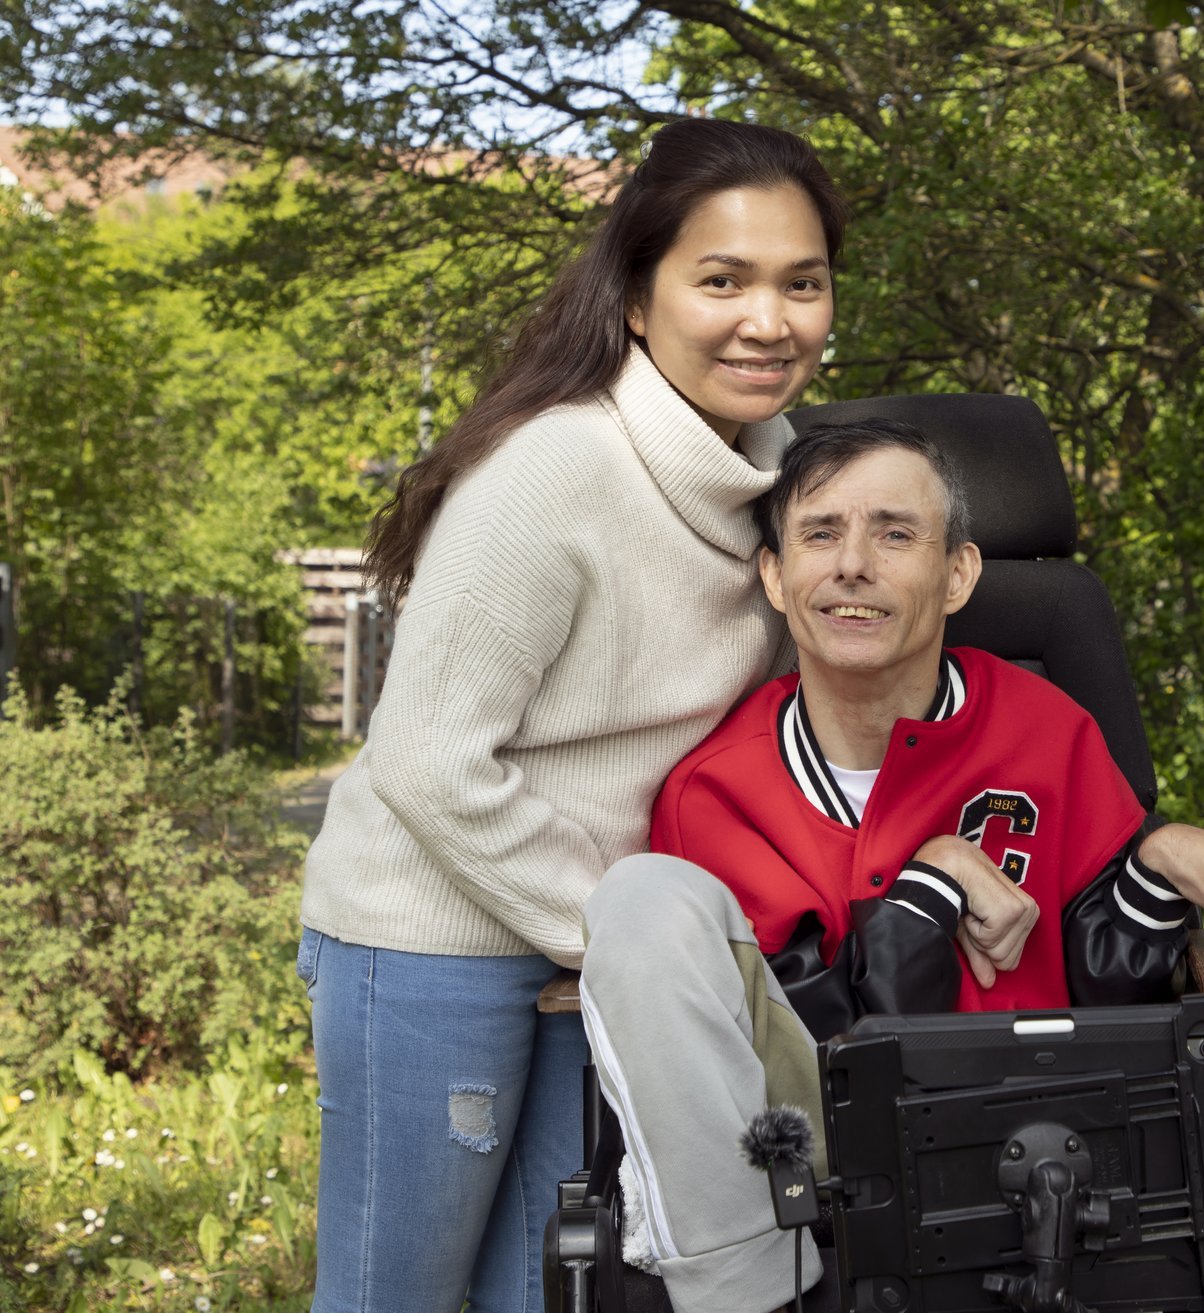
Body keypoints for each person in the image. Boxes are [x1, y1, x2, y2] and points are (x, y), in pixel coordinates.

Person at [578, 420, 1204, 1313]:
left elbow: (1118, 984)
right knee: (642, 897)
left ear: (959, 571)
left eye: (895, 533)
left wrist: (1155, 857)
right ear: (775, 575)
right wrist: (930, 883)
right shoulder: (718, 788)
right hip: (832, 1195)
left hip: (1058, 1154)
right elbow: (816, 1043)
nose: (853, 563)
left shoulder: (1047, 728)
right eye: (821, 533)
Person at [293, 118, 847, 1313]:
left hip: (585, 947)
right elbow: (430, 757)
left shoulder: (781, 470)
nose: (769, 319)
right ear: (639, 301)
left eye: (801, 282)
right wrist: (611, 937)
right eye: (722, 279)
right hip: (432, 938)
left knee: (550, 1296)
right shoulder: (558, 467)